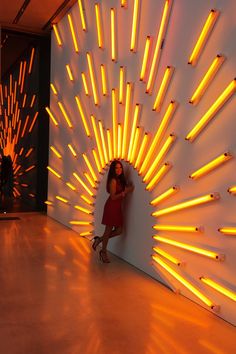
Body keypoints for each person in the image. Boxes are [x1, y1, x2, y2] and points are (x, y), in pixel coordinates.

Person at [92, 160, 134, 263]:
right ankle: (103, 252)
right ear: (113, 170)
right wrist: (125, 192)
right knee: (108, 230)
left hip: (117, 207)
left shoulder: (120, 180)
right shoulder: (113, 181)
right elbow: (113, 197)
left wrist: (128, 188)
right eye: (116, 168)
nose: (119, 170)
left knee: (119, 230)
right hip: (111, 207)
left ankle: (99, 240)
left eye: (120, 168)